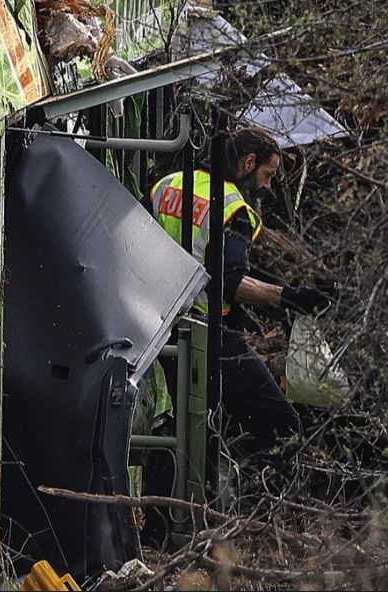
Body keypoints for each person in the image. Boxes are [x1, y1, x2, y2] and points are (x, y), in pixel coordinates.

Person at [149, 126, 336, 453]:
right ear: (249, 163)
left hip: (155, 321)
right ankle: (265, 498)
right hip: (208, 333)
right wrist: (290, 298)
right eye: (268, 174)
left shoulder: (170, 184)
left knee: (194, 425)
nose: (268, 185)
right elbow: (230, 283)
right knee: (283, 426)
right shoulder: (233, 209)